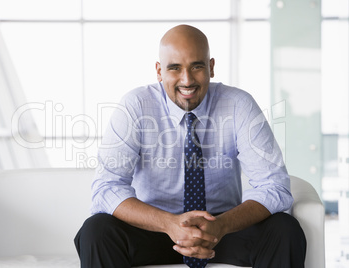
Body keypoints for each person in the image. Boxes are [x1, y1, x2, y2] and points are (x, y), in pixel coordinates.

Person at [74, 24, 306, 268]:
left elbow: (274, 186)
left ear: (211, 67)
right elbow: (106, 188)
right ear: (159, 71)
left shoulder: (239, 105)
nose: (187, 80)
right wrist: (169, 224)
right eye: (175, 68)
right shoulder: (135, 106)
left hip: (220, 228)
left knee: (284, 228)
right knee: (96, 230)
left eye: (197, 66)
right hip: (155, 227)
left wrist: (221, 225)